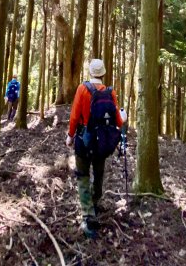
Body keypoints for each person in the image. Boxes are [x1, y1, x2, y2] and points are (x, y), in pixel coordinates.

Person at [66, 58, 125, 238]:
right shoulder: (110, 92)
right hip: (102, 142)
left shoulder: (82, 89)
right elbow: (117, 119)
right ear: (103, 73)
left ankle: (88, 214)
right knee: (99, 174)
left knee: (82, 176)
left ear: (90, 72)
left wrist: (70, 136)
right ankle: (94, 201)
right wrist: (123, 120)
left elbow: (75, 115)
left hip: (84, 140)